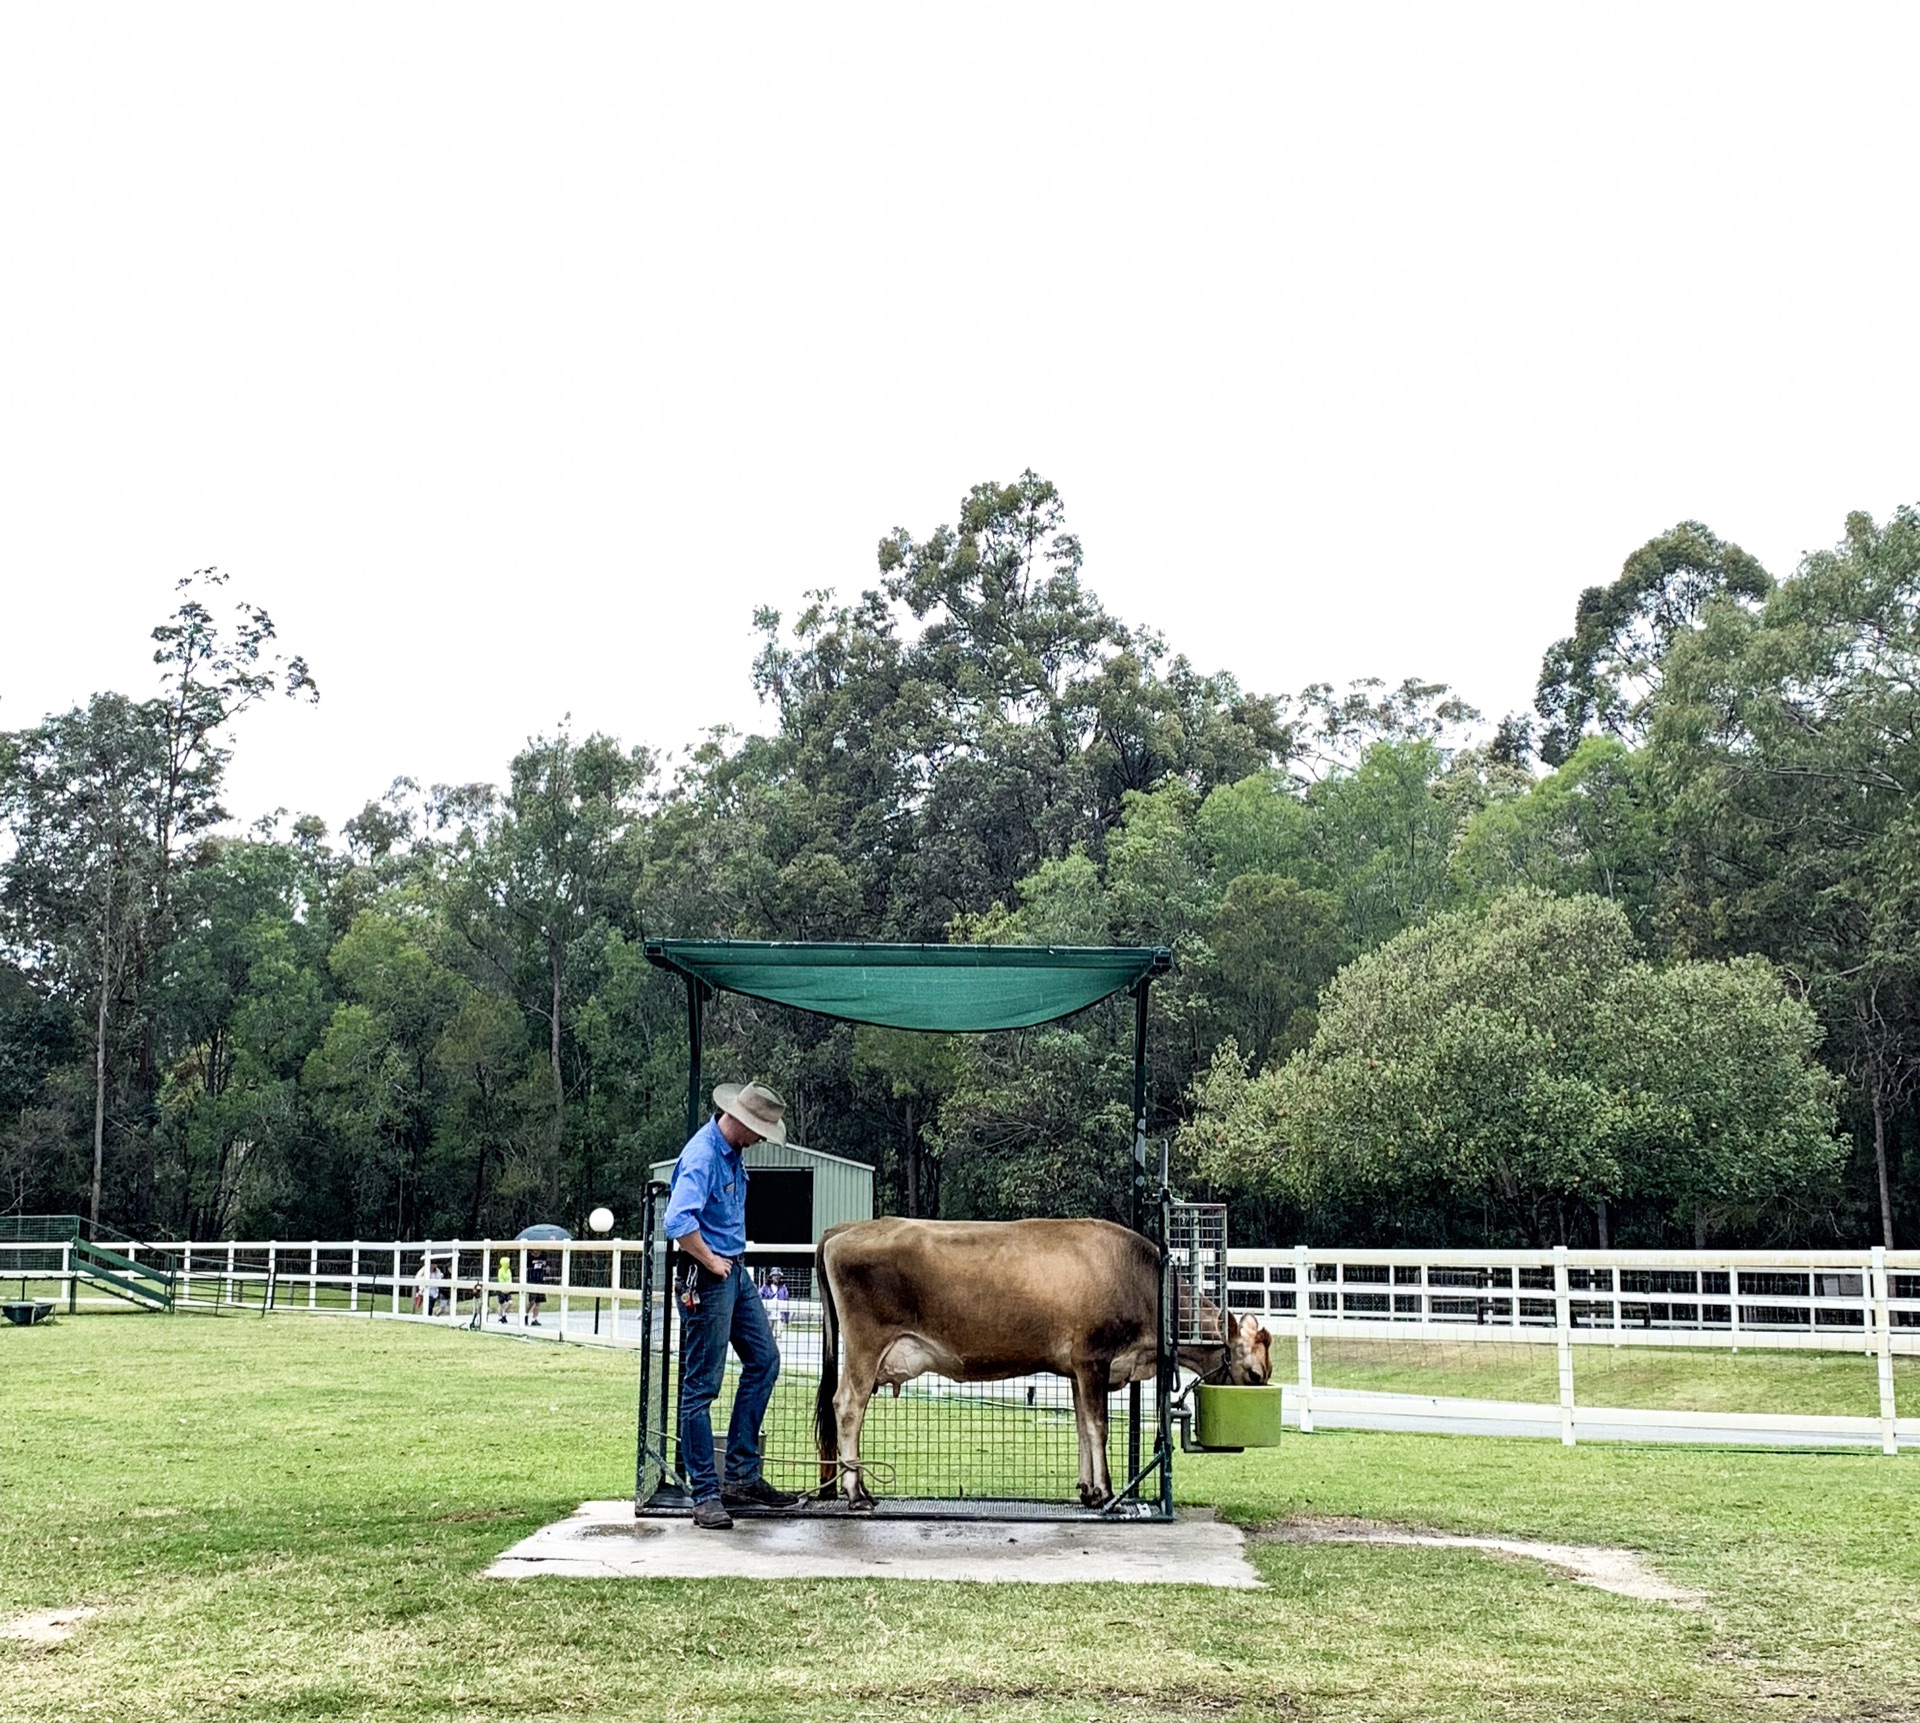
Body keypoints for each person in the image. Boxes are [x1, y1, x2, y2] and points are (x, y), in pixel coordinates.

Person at [664, 1080, 799, 1529]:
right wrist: (711, 1261)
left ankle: (741, 1474)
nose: (762, 1139)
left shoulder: (732, 1154)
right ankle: (705, 1493)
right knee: (701, 1386)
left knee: (764, 1360)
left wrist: (728, 1265)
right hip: (709, 1274)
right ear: (740, 1121)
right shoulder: (703, 1156)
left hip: (734, 1271)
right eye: (760, 1129)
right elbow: (678, 1220)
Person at [759, 1265, 790, 1334]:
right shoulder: (765, 1288)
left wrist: (786, 1317)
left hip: (780, 1315)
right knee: (768, 1334)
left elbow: (787, 1302)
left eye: (778, 1275)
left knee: (779, 1335)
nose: (776, 1277)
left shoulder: (783, 1289)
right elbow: (759, 1298)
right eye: (775, 1275)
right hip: (768, 1315)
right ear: (771, 1276)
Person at [527, 1253, 550, 1327]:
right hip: (532, 1280)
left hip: (540, 1280)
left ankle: (534, 1319)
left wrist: (547, 1269)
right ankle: (525, 1314)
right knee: (532, 1301)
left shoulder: (543, 1256)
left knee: (538, 1302)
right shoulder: (529, 1257)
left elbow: (547, 1268)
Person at [495, 1252, 514, 1324]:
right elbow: (501, 1280)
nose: (509, 1264)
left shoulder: (509, 1270)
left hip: (508, 1289)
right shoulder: (500, 1271)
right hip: (502, 1289)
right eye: (507, 1263)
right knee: (501, 1304)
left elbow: (510, 1279)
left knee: (510, 1302)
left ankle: (504, 1313)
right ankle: (501, 1317)